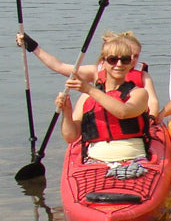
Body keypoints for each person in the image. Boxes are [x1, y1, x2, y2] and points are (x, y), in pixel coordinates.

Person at [55, 33, 152, 162]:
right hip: (95, 160)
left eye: (125, 60)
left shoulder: (138, 93)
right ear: (103, 63)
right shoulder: (86, 97)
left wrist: (89, 89)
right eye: (113, 60)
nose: (119, 64)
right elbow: (71, 137)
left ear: (130, 64)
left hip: (133, 159)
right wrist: (66, 112)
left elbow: (123, 112)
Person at [18, 29, 160, 113]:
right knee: (85, 97)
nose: (133, 60)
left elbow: (152, 101)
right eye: (128, 56)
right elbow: (59, 66)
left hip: (133, 115)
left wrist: (152, 117)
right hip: (101, 116)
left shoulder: (143, 76)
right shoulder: (96, 71)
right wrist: (33, 47)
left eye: (135, 56)